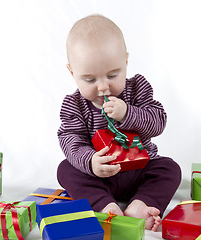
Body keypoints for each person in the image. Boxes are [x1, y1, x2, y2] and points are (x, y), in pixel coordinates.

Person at [57, 14, 181, 231]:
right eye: (90, 79)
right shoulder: (73, 104)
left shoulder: (138, 88)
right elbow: (70, 141)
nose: (103, 87)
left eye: (113, 75)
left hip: (140, 169)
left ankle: (141, 205)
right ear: (72, 72)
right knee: (66, 169)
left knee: (170, 168)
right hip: (100, 175)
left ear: (125, 61)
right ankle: (105, 205)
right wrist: (91, 162)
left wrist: (127, 113)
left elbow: (158, 122)